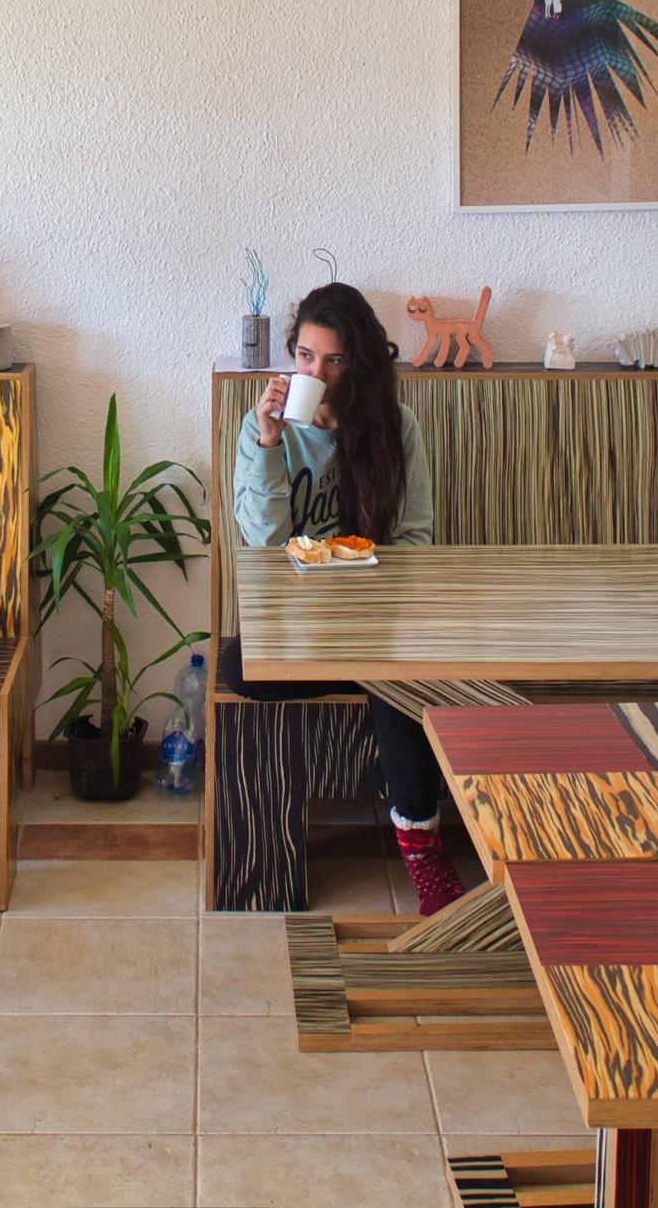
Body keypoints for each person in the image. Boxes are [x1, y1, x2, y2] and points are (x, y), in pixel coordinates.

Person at [222, 283, 464, 914]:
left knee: (394, 673)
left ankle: (422, 849)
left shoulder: (395, 427)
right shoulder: (264, 430)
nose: (316, 374)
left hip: (376, 619)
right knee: (238, 667)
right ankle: (420, 834)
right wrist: (271, 445)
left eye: (333, 360)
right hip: (297, 627)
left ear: (359, 361)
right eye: (304, 357)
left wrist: (363, 586)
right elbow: (263, 542)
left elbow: (415, 539)